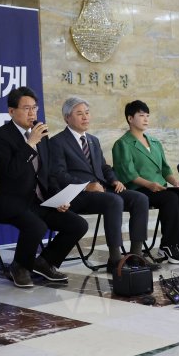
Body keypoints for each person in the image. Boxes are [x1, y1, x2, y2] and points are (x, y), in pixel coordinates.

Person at [0, 87, 88, 288]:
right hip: (11, 202)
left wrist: (57, 199)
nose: (32, 113)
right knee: (36, 225)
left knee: (78, 224)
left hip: (38, 202)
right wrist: (29, 144)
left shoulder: (41, 135)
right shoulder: (0, 135)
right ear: (11, 111)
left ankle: (45, 262)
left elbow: (47, 174)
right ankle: (19, 266)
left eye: (34, 108)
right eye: (26, 108)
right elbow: (10, 173)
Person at [50, 97, 151, 273]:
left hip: (103, 189)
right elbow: (58, 174)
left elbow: (104, 167)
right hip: (78, 195)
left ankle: (137, 255)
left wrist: (114, 180)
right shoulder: (57, 142)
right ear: (67, 118)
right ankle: (115, 259)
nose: (85, 117)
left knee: (140, 199)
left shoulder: (93, 140)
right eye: (79, 114)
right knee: (113, 201)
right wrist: (86, 185)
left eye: (87, 113)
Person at [113, 100, 179, 265]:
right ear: (130, 118)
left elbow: (165, 169)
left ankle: (178, 243)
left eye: (147, 116)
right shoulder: (122, 144)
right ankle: (171, 245)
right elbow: (129, 174)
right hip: (138, 190)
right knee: (169, 199)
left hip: (158, 188)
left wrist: (175, 181)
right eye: (141, 115)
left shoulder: (155, 143)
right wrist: (150, 184)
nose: (146, 119)